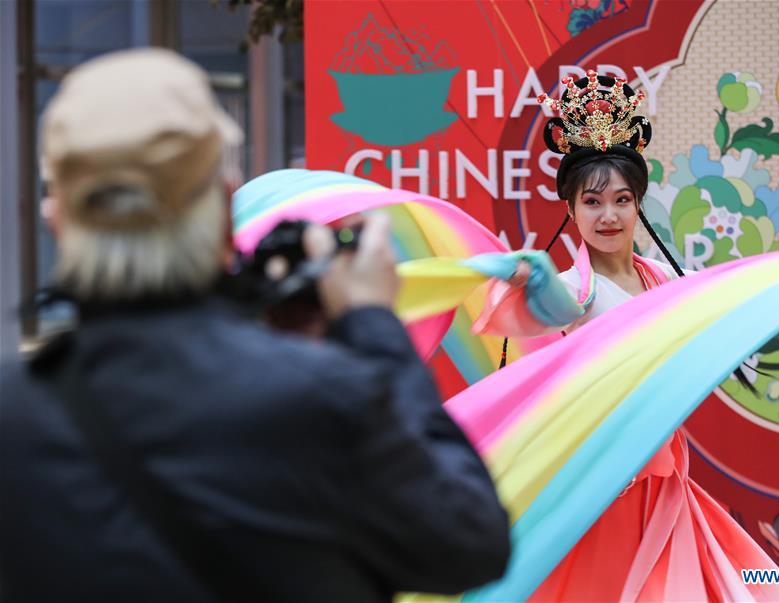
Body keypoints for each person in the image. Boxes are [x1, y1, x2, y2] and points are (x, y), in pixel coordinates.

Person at [0, 48, 509, 603]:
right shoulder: (322, 394)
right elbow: (468, 543)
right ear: (224, 204)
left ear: (57, 219)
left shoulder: (16, 413)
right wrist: (372, 327)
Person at [470, 73, 779, 601]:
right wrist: (527, 282)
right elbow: (549, 309)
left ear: (638, 203)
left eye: (622, 200)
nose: (608, 215)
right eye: (593, 202)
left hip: (665, 480)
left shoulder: (662, 281)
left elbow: (731, 311)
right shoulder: (572, 288)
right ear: (571, 209)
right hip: (602, 486)